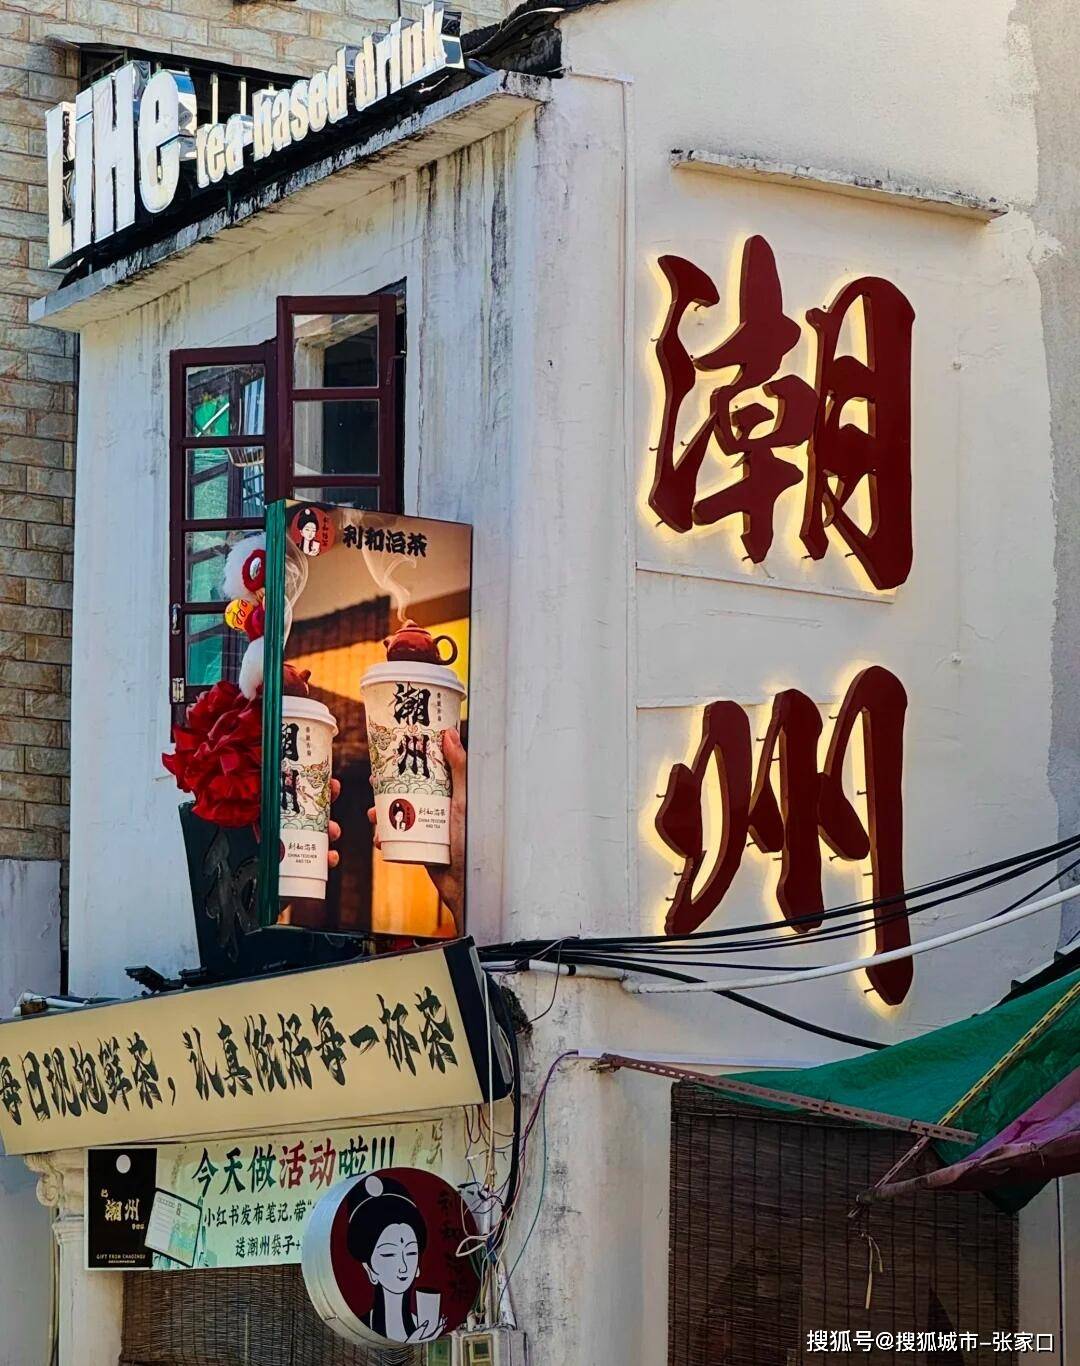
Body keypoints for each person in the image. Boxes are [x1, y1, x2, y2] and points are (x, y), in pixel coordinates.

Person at [346, 1174, 445, 1344]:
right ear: (370, 1270)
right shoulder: (361, 1328)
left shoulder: (428, 1327)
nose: (403, 1267)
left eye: (411, 1253)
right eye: (389, 1254)